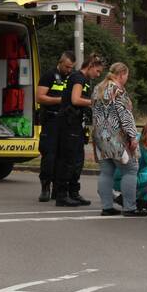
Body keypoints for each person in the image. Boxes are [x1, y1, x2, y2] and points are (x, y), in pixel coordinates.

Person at [92, 62, 147, 217]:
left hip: (100, 136)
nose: (127, 79)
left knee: (106, 171)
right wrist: (132, 136)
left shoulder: (98, 89)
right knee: (130, 169)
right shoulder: (118, 91)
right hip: (117, 137)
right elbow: (125, 116)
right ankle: (130, 207)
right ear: (122, 74)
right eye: (127, 76)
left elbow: (94, 112)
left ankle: (107, 206)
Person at [53, 54, 104, 207]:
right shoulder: (78, 78)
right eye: (98, 71)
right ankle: (62, 195)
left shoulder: (82, 79)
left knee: (77, 160)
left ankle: (73, 192)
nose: (98, 74)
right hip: (69, 124)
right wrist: (93, 102)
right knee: (68, 160)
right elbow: (75, 99)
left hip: (76, 124)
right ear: (90, 66)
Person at [36, 51, 74, 202]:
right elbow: (40, 97)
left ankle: (58, 189)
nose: (69, 70)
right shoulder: (49, 75)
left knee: (63, 156)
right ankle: (45, 187)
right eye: (67, 67)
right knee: (49, 155)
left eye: (71, 67)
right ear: (60, 63)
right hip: (51, 119)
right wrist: (61, 100)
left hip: (67, 121)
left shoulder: (72, 77)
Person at [114, 118, 147, 212]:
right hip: (124, 180)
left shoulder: (136, 136)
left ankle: (142, 200)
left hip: (117, 176)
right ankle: (130, 197)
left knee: (145, 171)